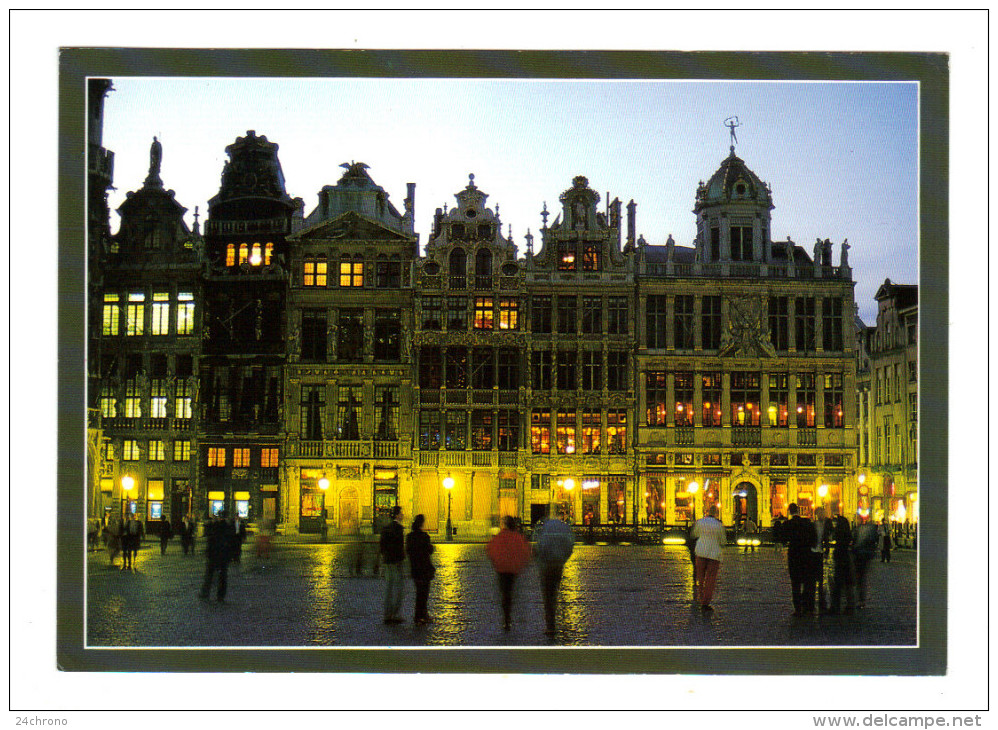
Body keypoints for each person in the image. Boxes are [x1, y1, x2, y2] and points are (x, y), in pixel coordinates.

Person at [486, 515, 532, 630]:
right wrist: (521, 564)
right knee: (510, 593)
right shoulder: (517, 537)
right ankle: (511, 615)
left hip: (501, 570)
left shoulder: (500, 537)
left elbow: (490, 549)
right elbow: (526, 551)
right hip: (513, 570)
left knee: (505, 594)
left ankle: (506, 617)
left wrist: (496, 562)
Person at [534, 513, 575, 635]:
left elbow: (540, 546)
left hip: (547, 565)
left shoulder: (545, 529)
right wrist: (563, 559)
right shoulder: (564, 529)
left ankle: (550, 624)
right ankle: (555, 617)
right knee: (555, 591)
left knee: (547, 594)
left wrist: (541, 558)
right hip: (558, 564)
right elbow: (570, 545)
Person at [782, 503, 818, 616]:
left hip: (794, 556)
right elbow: (815, 539)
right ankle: (808, 606)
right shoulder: (807, 523)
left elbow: (783, 539)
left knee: (796, 583)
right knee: (808, 581)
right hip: (807, 556)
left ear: (789, 511)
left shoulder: (788, 524)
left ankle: (798, 608)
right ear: (798, 510)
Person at [692, 504, 726, 612]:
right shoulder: (718, 525)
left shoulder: (700, 522)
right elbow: (723, 541)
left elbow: (694, 534)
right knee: (710, 579)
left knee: (700, 577)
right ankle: (706, 602)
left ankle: (700, 597)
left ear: (707, 511)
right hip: (714, 554)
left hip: (701, 551)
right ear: (716, 513)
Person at [405, 514, 435, 625]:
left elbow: (408, 550)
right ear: (422, 523)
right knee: (424, 594)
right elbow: (429, 550)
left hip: (415, 569)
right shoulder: (424, 536)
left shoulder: (410, 537)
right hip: (424, 569)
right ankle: (420, 616)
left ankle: (420, 616)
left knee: (419, 593)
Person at [200, 511, 235, 603]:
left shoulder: (215, 526)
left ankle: (205, 593)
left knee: (209, 575)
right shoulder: (228, 527)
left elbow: (208, 536)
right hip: (223, 555)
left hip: (213, 555)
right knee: (222, 576)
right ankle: (220, 596)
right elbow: (232, 542)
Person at [379, 505, 406, 624]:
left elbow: (382, 545)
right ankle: (394, 614)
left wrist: (383, 558)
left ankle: (387, 614)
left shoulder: (386, 528)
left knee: (389, 588)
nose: (403, 515)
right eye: (401, 513)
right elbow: (399, 547)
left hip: (387, 561)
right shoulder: (399, 529)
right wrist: (401, 559)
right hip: (396, 562)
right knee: (398, 588)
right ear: (397, 515)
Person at [827, 514, 855, 614]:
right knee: (847, 584)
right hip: (846, 559)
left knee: (838, 584)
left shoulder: (839, 533)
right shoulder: (847, 533)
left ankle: (836, 606)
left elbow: (835, 540)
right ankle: (850, 605)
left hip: (840, 559)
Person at [852, 515, 879, 608]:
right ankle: (860, 599)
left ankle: (859, 599)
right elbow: (874, 540)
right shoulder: (868, 529)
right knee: (861, 578)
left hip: (860, 555)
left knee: (859, 578)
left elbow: (855, 542)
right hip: (865, 555)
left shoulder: (859, 529)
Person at [811, 507, 833, 613]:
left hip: (820, 553)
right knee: (812, 578)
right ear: (816, 514)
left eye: (823, 513)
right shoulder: (813, 525)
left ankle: (821, 600)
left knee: (820, 578)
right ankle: (811, 601)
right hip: (812, 552)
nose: (822, 515)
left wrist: (827, 550)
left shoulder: (826, 525)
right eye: (820, 513)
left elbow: (827, 538)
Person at [684, 519, 698, 600]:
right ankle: (698, 579)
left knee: (695, 566)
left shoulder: (690, 534)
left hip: (693, 551)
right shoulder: (698, 534)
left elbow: (688, 542)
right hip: (697, 551)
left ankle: (695, 580)